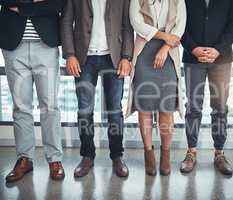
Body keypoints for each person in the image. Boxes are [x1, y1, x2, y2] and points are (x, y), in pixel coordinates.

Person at [60, 0, 134, 178]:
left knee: (114, 110)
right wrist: (69, 54)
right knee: (84, 110)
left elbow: (127, 25)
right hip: (84, 58)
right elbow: (66, 21)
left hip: (113, 56)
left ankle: (117, 156)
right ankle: (87, 156)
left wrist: (126, 56)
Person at [0, 0, 65, 182]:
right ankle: (24, 159)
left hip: (46, 44)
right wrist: (35, 3)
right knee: (21, 107)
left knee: (50, 105)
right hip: (14, 45)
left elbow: (58, 5)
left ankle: (54, 160)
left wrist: (21, 7)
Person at [180, 0, 233, 176]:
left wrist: (218, 50)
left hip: (221, 59)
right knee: (193, 107)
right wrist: (193, 48)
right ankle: (191, 152)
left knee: (220, 107)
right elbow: (180, 22)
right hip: (193, 58)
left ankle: (219, 153)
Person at [127, 0, 186, 176]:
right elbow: (136, 23)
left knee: (166, 109)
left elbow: (180, 26)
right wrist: (164, 36)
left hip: (169, 54)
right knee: (144, 108)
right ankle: (149, 154)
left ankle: (166, 155)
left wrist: (166, 46)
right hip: (144, 54)